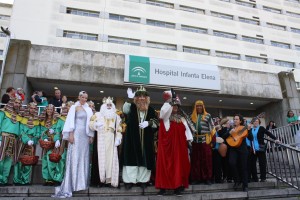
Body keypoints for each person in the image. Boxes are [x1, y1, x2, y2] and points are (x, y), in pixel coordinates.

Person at [52, 91, 94, 198]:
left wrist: (91, 135)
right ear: (79, 97)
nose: (84, 99)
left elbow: (91, 124)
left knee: (83, 158)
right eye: (83, 97)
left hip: (85, 136)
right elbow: (71, 122)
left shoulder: (89, 109)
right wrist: (70, 135)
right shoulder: (74, 108)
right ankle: (72, 184)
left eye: (86, 98)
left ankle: (81, 183)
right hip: (76, 135)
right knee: (74, 158)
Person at [155, 91, 192, 196]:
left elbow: (187, 132)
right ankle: (163, 188)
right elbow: (163, 112)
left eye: (176, 106)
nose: (175, 107)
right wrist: (170, 101)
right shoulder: (165, 118)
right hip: (167, 148)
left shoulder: (182, 119)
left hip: (179, 148)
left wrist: (189, 141)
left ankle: (178, 188)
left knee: (178, 167)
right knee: (164, 166)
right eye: (173, 105)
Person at [121, 86, 158, 192]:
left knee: (144, 161)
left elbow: (156, 123)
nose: (142, 98)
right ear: (136, 98)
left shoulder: (151, 110)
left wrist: (149, 123)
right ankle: (129, 181)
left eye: (144, 96)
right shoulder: (131, 107)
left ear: (147, 98)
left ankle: (143, 181)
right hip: (132, 139)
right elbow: (124, 110)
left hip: (146, 141)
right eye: (139, 96)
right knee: (130, 160)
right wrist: (129, 99)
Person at [89, 97, 122, 187]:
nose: (108, 106)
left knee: (111, 161)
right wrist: (95, 125)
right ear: (103, 106)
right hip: (101, 140)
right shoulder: (97, 115)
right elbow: (90, 124)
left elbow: (119, 129)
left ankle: (109, 180)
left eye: (110, 105)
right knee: (100, 160)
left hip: (111, 142)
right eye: (107, 105)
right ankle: (100, 181)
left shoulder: (116, 116)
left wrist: (118, 138)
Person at [223, 114, 253, 192]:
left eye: (236, 119)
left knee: (243, 167)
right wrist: (230, 132)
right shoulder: (231, 128)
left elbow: (251, 138)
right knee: (231, 163)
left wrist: (249, 130)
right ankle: (237, 180)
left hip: (243, 149)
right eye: (234, 119)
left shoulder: (244, 128)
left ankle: (245, 185)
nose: (235, 120)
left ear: (240, 121)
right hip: (233, 149)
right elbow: (224, 137)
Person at [14, 102, 40, 185]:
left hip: (32, 142)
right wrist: (27, 139)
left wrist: (34, 139)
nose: (32, 110)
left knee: (29, 160)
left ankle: (25, 180)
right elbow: (21, 131)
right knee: (19, 160)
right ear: (28, 108)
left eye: (34, 108)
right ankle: (17, 180)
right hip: (22, 141)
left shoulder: (37, 120)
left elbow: (38, 132)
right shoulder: (23, 118)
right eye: (31, 108)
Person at [190, 100, 215, 184]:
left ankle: (207, 178)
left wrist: (213, 141)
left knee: (206, 161)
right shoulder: (191, 117)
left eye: (200, 106)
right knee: (195, 161)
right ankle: (196, 178)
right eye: (197, 106)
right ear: (195, 107)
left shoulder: (208, 116)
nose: (199, 107)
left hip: (205, 141)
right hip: (195, 142)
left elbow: (212, 128)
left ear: (203, 107)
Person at [249, 118, 279, 182]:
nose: (255, 122)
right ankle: (255, 178)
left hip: (260, 148)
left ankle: (263, 178)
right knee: (252, 164)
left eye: (257, 121)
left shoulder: (261, 128)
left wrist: (275, 138)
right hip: (253, 149)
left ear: (259, 122)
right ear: (252, 122)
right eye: (254, 121)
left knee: (262, 163)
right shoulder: (250, 129)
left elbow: (268, 133)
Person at [0, 98, 22, 186]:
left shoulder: (19, 116)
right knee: (1, 158)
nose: (17, 104)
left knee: (9, 160)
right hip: (3, 137)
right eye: (16, 102)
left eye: (19, 103)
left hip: (14, 139)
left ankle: (3, 180)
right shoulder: (3, 112)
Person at [39, 104, 61, 186]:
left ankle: (54, 178)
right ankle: (47, 179)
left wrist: (54, 133)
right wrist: (44, 137)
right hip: (45, 144)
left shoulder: (56, 120)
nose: (49, 111)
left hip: (53, 143)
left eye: (51, 109)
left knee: (52, 161)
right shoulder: (43, 121)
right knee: (44, 160)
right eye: (48, 109)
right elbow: (41, 131)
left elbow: (58, 130)